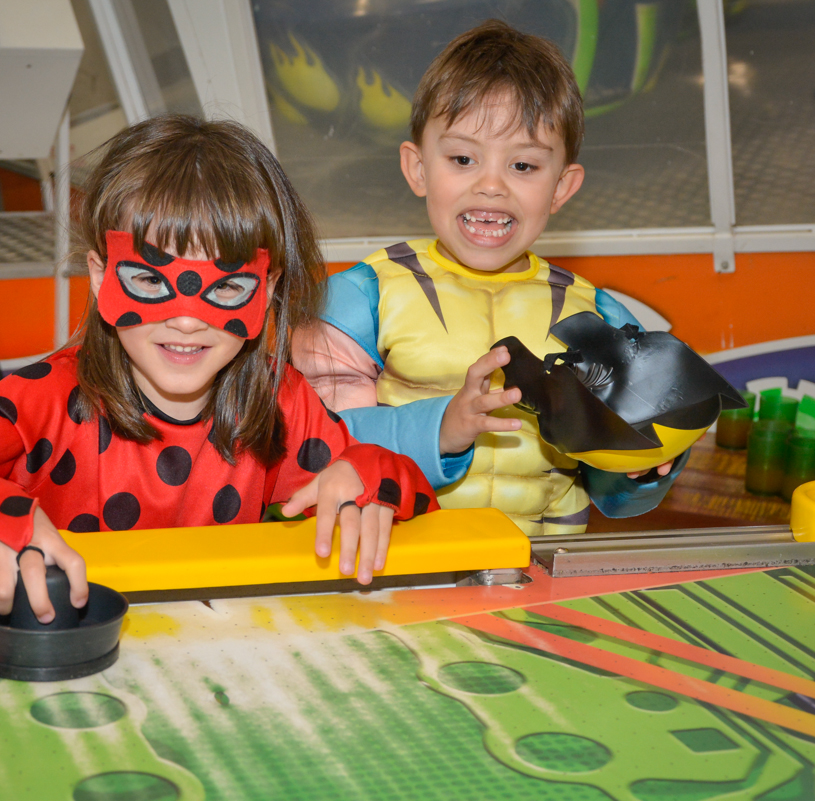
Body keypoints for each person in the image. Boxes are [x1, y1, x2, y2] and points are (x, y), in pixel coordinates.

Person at [0, 115, 438, 623]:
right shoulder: (50, 398)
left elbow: (402, 484)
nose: (186, 321)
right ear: (99, 277)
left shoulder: (275, 398)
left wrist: (366, 476)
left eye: (226, 288)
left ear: (266, 291)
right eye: (149, 280)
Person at [293, 20, 685, 539]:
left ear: (561, 187)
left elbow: (615, 493)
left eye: (523, 166)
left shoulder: (601, 318)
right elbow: (315, 446)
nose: (492, 185)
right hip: (403, 563)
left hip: (543, 570)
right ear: (418, 169)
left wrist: (643, 466)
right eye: (462, 159)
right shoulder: (362, 298)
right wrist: (440, 431)